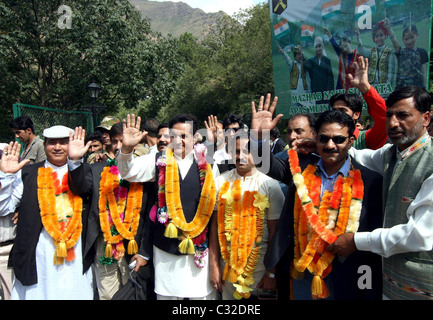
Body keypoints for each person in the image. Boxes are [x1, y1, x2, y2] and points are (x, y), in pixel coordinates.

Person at [251, 95, 383, 300]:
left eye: (338, 139)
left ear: (350, 141)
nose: (330, 145)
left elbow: (373, 236)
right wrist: (258, 136)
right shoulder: (300, 169)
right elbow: (265, 165)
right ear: (316, 139)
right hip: (303, 271)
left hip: (349, 273)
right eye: (324, 139)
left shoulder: (370, 181)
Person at [328, 85, 433, 300]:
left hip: (421, 289)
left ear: (426, 118)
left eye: (403, 115)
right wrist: (322, 141)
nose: (393, 123)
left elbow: (419, 235)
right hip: (388, 284)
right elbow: (354, 153)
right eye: (389, 115)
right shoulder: (391, 154)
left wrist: (356, 241)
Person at [116, 113, 217, 300]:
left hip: (198, 249)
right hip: (165, 251)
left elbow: (215, 203)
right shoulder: (156, 160)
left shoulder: (209, 163)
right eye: (173, 136)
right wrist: (127, 149)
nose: (178, 141)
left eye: (184, 136)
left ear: (195, 138)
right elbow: (128, 172)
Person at [0, 125, 94, 300]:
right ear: (44, 146)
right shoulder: (28, 173)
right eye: (52, 143)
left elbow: (82, 187)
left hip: (75, 254)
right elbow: (4, 207)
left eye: (63, 142)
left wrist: (74, 161)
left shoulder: (84, 170)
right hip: (39, 253)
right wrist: (5, 176)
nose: (57, 147)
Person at [67, 126, 149, 300]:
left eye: (123, 141)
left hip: (133, 242)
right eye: (114, 142)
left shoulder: (144, 170)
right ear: (107, 144)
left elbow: (149, 214)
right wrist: (74, 161)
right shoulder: (97, 169)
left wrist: (143, 250)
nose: (119, 146)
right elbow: (80, 186)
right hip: (104, 243)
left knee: (133, 291)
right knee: (107, 292)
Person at [209, 134, 284, 300]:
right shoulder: (220, 182)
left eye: (247, 151)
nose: (240, 156)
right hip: (227, 269)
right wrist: (213, 265)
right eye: (236, 151)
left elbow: (275, 234)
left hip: (259, 271)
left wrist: (271, 273)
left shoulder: (270, 185)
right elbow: (214, 227)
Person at [330, 56, 388, 150]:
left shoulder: (365, 139)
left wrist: (365, 89)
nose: (337, 114)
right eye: (334, 110)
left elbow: (384, 118)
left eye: (343, 110)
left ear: (356, 114)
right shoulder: (323, 140)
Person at [385, 21, 428, 90]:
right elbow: (394, 41)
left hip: (416, 88)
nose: (409, 41)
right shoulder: (401, 51)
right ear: (403, 40)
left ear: (417, 36)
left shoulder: (422, 52)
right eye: (406, 39)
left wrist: (425, 88)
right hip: (401, 88)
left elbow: (424, 72)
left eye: (412, 37)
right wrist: (389, 28)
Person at [355, 21, 396, 88]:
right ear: (374, 39)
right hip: (372, 85)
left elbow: (391, 72)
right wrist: (358, 36)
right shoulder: (372, 51)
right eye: (376, 36)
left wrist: (388, 85)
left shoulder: (390, 52)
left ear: (385, 36)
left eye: (381, 35)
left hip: (384, 85)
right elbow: (361, 50)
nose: (379, 38)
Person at [323, 27, 360, 91]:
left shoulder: (357, 54)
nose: (345, 49)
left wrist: (357, 35)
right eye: (343, 48)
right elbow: (334, 44)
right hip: (341, 85)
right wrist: (329, 34)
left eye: (346, 46)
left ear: (350, 43)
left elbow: (360, 46)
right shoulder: (341, 54)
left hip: (354, 86)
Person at [305, 36, 334, 102]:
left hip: (326, 90)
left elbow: (330, 77)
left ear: (322, 46)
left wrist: (329, 90)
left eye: (319, 46)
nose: (318, 49)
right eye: (316, 47)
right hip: (316, 91)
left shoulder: (327, 60)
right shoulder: (311, 61)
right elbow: (305, 68)